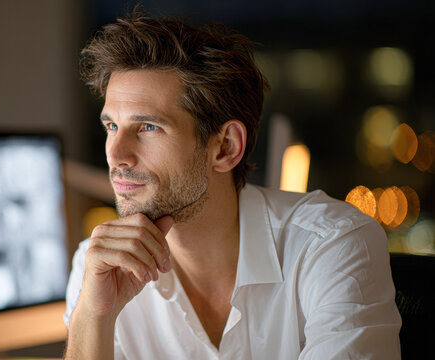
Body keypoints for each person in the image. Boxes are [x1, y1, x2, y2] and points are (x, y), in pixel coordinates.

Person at [63, 10, 401, 360]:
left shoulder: (332, 245)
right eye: (111, 127)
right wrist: (93, 316)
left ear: (225, 147)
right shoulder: (99, 265)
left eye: (148, 127)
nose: (116, 156)